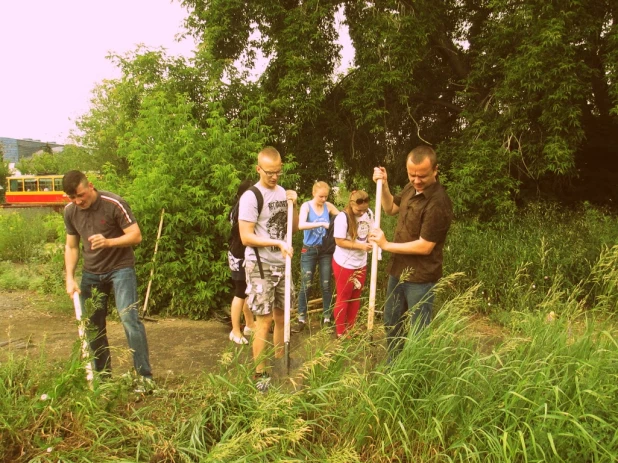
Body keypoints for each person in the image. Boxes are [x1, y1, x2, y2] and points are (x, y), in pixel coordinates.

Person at [62, 170, 153, 388]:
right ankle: (103, 379)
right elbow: (71, 246)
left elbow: (136, 235)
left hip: (120, 269)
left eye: (81, 195)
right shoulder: (70, 211)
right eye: (73, 198)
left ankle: (145, 378)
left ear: (90, 186)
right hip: (91, 272)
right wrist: (70, 277)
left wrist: (109, 242)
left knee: (129, 319)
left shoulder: (114, 203)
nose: (78, 201)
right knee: (93, 325)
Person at [369, 145, 453, 361]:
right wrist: (384, 185)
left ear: (435, 170)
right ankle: (394, 368)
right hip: (398, 271)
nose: (416, 180)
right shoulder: (410, 188)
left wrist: (386, 245)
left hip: (420, 278)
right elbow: (390, 209)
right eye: (412, 174)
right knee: (391, 322)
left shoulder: (438, 203)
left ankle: (415, 375)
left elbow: (425, 246)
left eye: (422, 176)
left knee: (418, 332)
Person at [238, 147, 299, 391]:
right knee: (263, 321)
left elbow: (291, 229)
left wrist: (294, 203)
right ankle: (260, 375)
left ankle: (279, 363)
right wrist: (276, 242)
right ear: (258, 169)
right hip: (260, 266)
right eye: (270, 172)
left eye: (278, 172)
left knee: (283, 317)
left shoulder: (283, 192)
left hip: (282, 264)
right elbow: (246, 236)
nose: (274, 177)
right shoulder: (251, 197)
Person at [293, 181, 339, 332]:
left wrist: (333, 225)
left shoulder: (329, 206)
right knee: (306, 284)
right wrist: (321, 224)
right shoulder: (306, 206)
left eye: (326, 196)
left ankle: (327, 318)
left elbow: (341, 219)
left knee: (326, 284)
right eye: (321, 196)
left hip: (325, 250)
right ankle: (301, 319)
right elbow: (301, 225)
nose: (323, 199)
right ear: (314, 193)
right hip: (309, 250)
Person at [332, 190, 373, 338]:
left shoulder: (368, 213)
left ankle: (351, 328)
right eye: (358, 210)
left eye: (364, 210)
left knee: (356, 296)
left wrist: (372, 240)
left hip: (361, 263)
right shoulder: (342, 218)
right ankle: (340, 332)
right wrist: (361, 246)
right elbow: (339, 241)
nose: (361, 213)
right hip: (344, 263)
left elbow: (370, 231)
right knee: (344, 297)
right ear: (351, 204)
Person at [228, 179, 256, 344]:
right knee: (240, 292)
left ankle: (250, 324)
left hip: (237, 252)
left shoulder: (236, 207)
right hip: (239, 254)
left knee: (246, 291)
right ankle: (235, 331)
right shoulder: (242, 209)